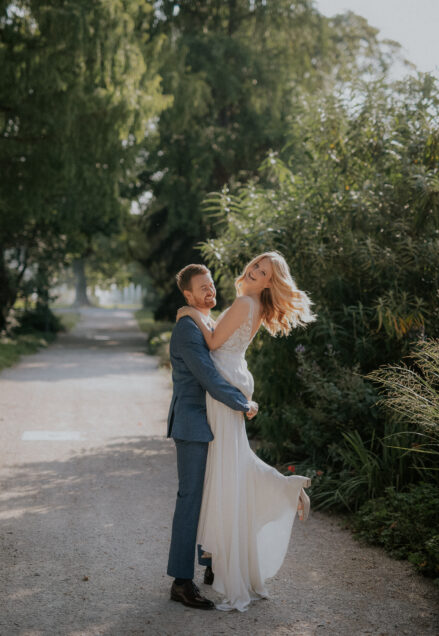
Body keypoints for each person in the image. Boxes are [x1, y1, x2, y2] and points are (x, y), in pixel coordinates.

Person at [176, 250, 316, 612]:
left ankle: (286, 490)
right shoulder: (254, 305)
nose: (254, 270)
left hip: (225, 387)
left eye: (262, 271)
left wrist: (190, 313)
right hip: (234, 378)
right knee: (232, 462)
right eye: (255, 264)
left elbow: (211, 343)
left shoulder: (243, 303)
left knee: (228, 467)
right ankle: (286, 490)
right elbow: (221, 340)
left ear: (270, 282)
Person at [166, 263, 259, 610]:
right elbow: (208, 376)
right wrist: (242, 402)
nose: (210, 291)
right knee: (191, 498)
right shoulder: (187, 329)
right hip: (192, 424)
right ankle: (180, 582)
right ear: (187, 294)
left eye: (211, 285)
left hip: (212, 421)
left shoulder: (205, 322)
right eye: (202, 288)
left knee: (213, 494)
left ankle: (210, 564)